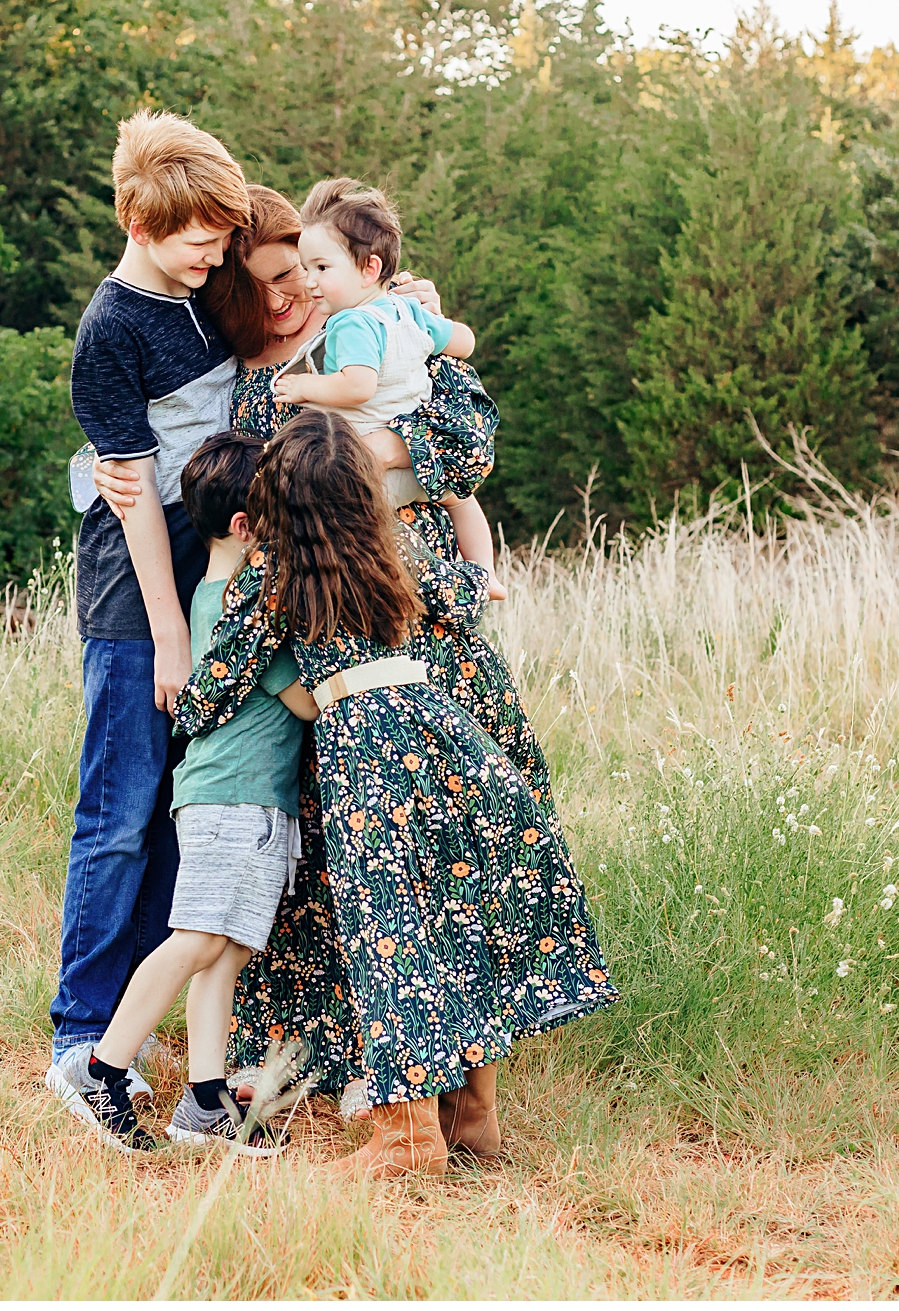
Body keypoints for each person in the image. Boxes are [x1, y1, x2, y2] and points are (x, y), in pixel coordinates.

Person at [93, 186, 557, 1157]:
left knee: (432, 846)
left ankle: (452, 1071)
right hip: (307, 632)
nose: (289, 296)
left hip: (408, 597)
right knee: (318, 859)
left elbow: (465, 448)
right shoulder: (244, 382)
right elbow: (212, 475)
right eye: (267, 283)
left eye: (301, 273)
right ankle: (319, 1061)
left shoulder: (388, 340)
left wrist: (353, 454)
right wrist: (100, 471)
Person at [173, 409, 618, 1176]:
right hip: (438, 728)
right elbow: (474, 590)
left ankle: (407, 1139)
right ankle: (470, 1119)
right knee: (450, 923)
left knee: (392, 938)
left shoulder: (276, 580)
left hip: (366, 747)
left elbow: (212, 690)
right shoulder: (396, 550)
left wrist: (186, 707)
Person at [50, 110, 253, 1094]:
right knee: (120, 815)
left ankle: (135, 1026)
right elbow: (130, 502)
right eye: (196, 238)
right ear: (139, 223)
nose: (213, 253)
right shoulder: (111, 330)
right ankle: (77, 1035)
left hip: (211, 578)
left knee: (185, 814)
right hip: (138, 596)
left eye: (221, 235)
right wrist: (173, 639)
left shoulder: (203, 292)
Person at [48, 433, 313, 1156]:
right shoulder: (243, 610)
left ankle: (204, 1101)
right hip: (233, 801)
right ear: (245, 527)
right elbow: (303, 702)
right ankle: (103, 1068)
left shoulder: (211, 594)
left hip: (241, 798)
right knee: (194, 939)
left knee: (223, 951)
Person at [275, 178, 495, 588]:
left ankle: (402, 583)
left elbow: (357, 386)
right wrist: (436, 329)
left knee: (346, 517)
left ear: (369, 268)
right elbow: (464, 341)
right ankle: (484, 574)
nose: (308, 282)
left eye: (321, 268)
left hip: (368, 466)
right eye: (306, 269)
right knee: (459, 499)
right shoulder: (407, 311)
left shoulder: (350, 323)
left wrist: (303, 389)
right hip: (423, 461)